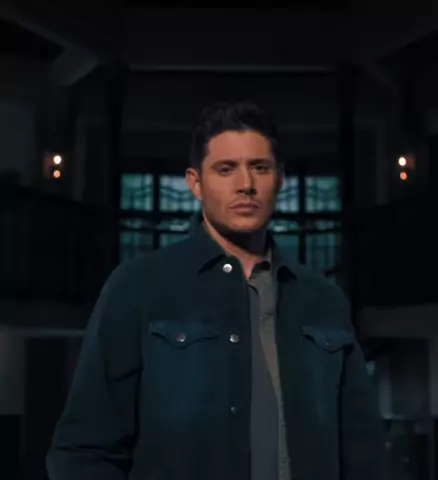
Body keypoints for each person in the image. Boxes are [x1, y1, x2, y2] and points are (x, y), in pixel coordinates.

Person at [47, 101, 387, 480]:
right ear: (195, 183)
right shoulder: (139, 287)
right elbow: (84, 449)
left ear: (280, 179)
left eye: (260, 167)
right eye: (226, 169)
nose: (246, 184)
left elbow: (365, 452)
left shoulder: (323, 299)